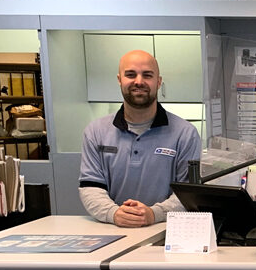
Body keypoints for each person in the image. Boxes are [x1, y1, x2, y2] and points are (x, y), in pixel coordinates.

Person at [79, 50, 201, 227]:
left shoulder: (185, 133)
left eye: (147, 75)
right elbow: (90, 187)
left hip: (164, 230)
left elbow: (189, 193)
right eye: (130, 74)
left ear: (158, 82)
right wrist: (114, 213)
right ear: (120, 80)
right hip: (114, 230)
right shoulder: (95, 132)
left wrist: (153, 214)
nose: (139, 81)